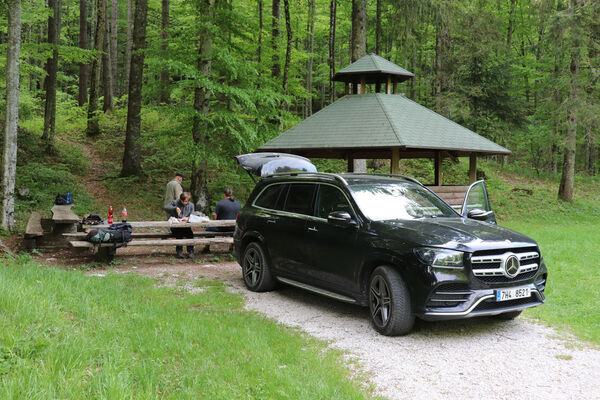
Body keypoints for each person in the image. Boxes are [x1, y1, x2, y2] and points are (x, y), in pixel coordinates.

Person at [164, 192, 195, 259]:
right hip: (176, 226)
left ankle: (191, 252)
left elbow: (192, 215)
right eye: (182, 201)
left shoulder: (191, 205)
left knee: (190, 235)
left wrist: (187, 218)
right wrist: (174, 208)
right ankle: (179, 252)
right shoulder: (175, 202)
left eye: (186, 201)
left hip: (186, 226)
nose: (184, 202)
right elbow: (166, 207)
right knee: (179, 234)